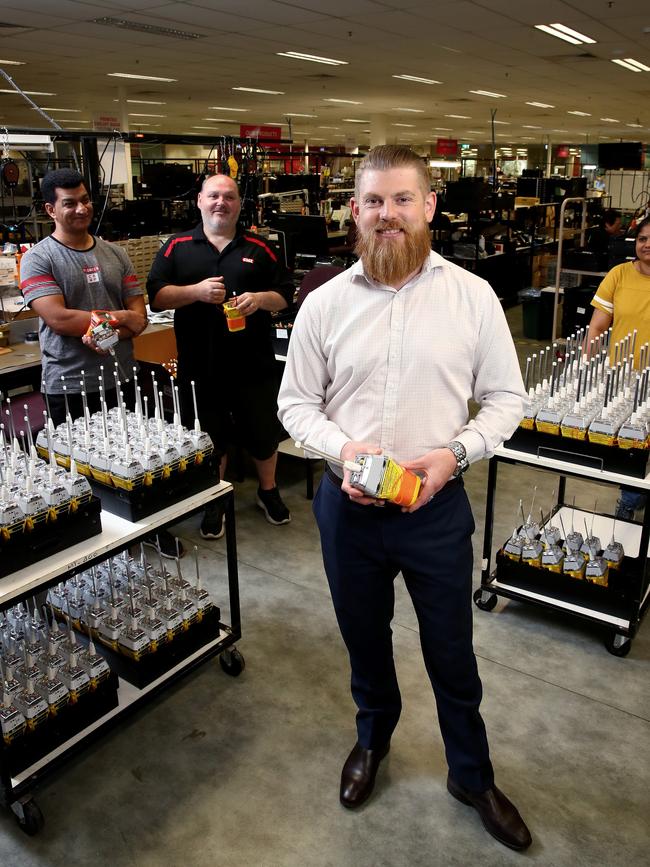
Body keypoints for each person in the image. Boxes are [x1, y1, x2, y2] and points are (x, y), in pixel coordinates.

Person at [278, 145, 531, 852]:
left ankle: (471, 773)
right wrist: (342, 449)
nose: (387, 214)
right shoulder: (324, 303)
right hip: (347, 513)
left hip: (435, 512)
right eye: (373, 202)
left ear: (429, 207)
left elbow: (507, 399)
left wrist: (454, 456)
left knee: (451, 648)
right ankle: (373, 740)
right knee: (364, 640)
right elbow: (295, 403)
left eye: (401, 199)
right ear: (354, 211)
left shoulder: (472, 297)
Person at [147, 174, 294, 539]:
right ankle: (214, 498)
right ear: (199, 200)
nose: (220, 203)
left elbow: (285, 295)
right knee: (209, 436)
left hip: (253, 363)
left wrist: (260, 300)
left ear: (239, 204)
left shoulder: (261, 247)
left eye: (229, 197)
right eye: (213, 195)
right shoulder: (176, 247)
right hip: (200, 364)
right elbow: (157, 296)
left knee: (262, 432)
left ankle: (268, 490)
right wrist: (195, 292)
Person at [20, 168, 147, 426]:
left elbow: (139, 318)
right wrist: (123, 318)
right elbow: (61, 320)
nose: (81, 208)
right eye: (69, 203)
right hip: (69, 386)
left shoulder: (116, 253)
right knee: (81, 464)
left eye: (85, 200)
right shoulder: (38, 259)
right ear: (50, 210)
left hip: (122, 377)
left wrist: (113, 326)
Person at [587, 215, 650, 519]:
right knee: (629, 448)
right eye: (642, 239)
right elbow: (597, 327)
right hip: (624, 379)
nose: (647, 244)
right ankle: (628, 504)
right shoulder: (619, 274)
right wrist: (587, 368)